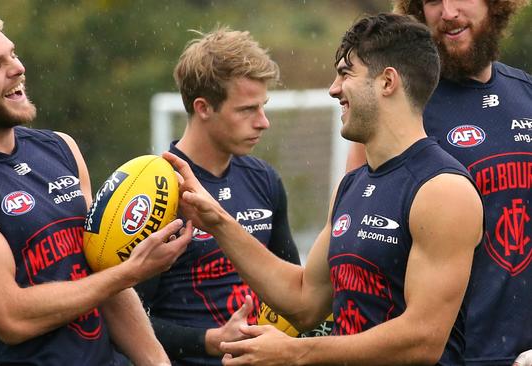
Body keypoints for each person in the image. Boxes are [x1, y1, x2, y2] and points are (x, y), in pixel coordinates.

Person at [164, 13, 484, 365]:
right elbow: (304, 301)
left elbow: (422, 339)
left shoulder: (442, 190)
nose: (333, 88)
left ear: (387, 81)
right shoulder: (353, 184)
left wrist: (295, 352)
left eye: (346, 73)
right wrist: (218, 222)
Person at [0, 7, 192, 365]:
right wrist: (130, 272)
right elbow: (11, 318)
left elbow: (105, 279)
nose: (18, 68)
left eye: (12, 54)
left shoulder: (61, 147)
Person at [346, 1, 532, 365]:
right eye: (432, 0)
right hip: (443, 355)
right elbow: (353, 237)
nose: (448, 12)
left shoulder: (527, 95)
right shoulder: (397, 105)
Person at [133, 27, 310, 365]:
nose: (263, 122)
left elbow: (297, 295)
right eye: (247, 110)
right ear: (203, 107)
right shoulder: (151, 193)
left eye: (263, 107)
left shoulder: (265, 180)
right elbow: (125, 320)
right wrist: (209, 341)